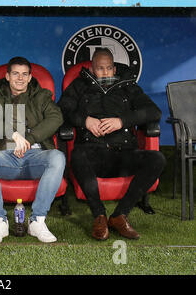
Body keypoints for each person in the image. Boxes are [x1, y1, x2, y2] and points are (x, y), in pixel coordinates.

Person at [58, 48, 166, 240]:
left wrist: (122, 120)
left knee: (157, 159)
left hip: (124, 153)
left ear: (114, 69)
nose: (105, 72)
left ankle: (119, 215)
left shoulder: (127, 85)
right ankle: (99, 215)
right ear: (91, 69)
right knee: (77, 154)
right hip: (93, 152)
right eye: (100, 68)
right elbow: (61, 110)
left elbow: (154, 112)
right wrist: (85, 120)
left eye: (109, 68)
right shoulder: (79, 85)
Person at [0, 56, 66, 244]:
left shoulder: (41, 96)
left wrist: (29, 139)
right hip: (5, 156)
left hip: (34, 156)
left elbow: (56, 118)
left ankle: (38, 221)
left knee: (57, 157)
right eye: (15, 74)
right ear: (7, 76)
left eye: (24, 74)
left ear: (30, 77)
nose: (20, 78)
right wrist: (13, 135)